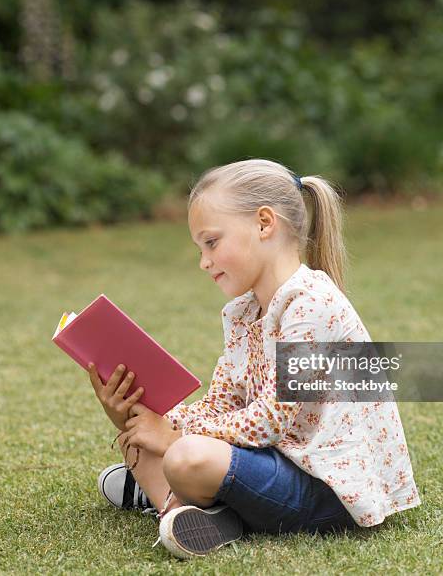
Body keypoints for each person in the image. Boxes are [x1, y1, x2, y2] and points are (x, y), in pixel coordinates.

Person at [89, 158, 421, 560]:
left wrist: (173, 437)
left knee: (185, 456)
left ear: (265, 223)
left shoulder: (311, 305)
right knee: (142, 433)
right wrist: (141, 416)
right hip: (275, 463)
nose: (204, 262)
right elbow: (220, 405)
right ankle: (201, 513)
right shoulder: (245, 313)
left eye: (211, 242)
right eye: (200, 248)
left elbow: (269, 420)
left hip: (326, 488)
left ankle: (179, 500)